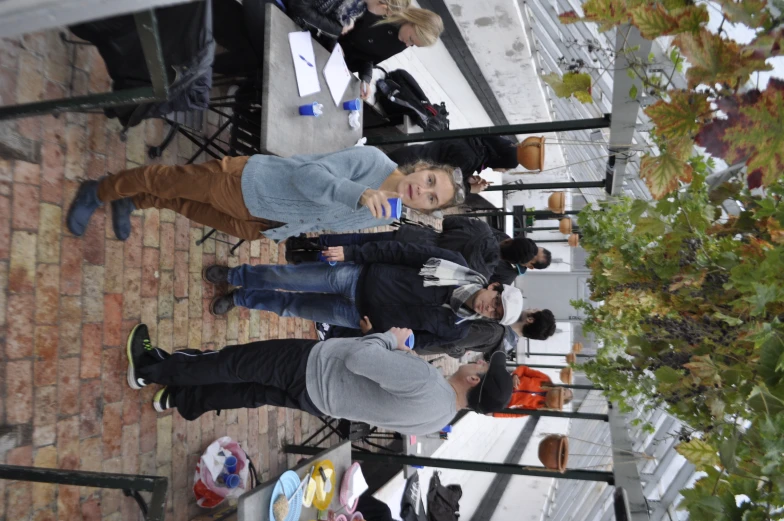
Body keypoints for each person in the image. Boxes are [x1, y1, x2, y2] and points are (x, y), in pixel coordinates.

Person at [125, 323, 513, 435]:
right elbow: (385, 398)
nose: (477, 362)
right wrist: (402, 360)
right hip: (319, 400)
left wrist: (388, 340)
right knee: (246, 391)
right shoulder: (438, 419)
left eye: (482, 367)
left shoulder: (430, 382)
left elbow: (362, 357)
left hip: (312, 368)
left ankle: (150, 370)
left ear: (475, 380)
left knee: (233, 362)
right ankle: (179, 399)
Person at [66, 147, 464, 242]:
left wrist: (277, 233)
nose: (422, 190)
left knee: (182, 204)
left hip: (262, 221)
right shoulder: (373, 163)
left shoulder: (387, 213)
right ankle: (99, 190)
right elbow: (309, 175)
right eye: (430, 181)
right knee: (167, 179)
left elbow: (324, 219)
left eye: (432, 198)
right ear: (423, 169)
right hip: (249, 183)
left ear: (427, 210)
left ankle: (131, 201)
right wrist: (357, 193)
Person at [205, 242, 524, 349]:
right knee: (286, 276)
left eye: (494, 314)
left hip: (357, 317)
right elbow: (402, 251)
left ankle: (240, 298)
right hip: (358, 277)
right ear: (494, 286)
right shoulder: (456, 265)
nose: (489, 308)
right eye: (495, 301)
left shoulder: (458, 330)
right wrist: (353, 252)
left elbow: (414, 342)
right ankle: (236, 275)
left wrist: (377, 337)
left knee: (293, 306)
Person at [286, 216, 538, 281]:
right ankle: (304, 259)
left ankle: (308, 242)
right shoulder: (480, 273)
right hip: (410, 263)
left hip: (414, 235)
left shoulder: (482, 230)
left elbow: (449, 223)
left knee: (358, 241)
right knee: (357, 259)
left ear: (509, 240)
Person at [338, 7, 443, 99]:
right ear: (412, 21)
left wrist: (366, 79)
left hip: (340, 67)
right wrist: (335, 45)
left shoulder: (402, 41)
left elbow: (368, 58)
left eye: (413, 44)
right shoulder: (382, 9)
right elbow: (336, 20)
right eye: (411, 39)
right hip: (327, 42)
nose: (407, 44)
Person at [387, 136, 520, 194]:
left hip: (408, 160)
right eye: (506, 167)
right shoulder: (469, 157)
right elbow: (445, 187)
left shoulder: (476, 146)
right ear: (501, 159)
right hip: (403, 170)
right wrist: (470, 189)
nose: (503, 171)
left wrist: (467, 177)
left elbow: (449, 165)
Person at [288, 0, 411, 41]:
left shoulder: (360, 6)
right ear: (383, 7)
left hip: (298, 27)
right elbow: (298, 5)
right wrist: (337, 30)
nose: (382, 17)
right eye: (385, 15)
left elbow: (333, 20)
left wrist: (334, 42)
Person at [492, 365, 573, 418]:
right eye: (564, 390)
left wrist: (495, 414)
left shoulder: (539, 407)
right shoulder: (545, 379)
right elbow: (524, 369)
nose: (561, 392)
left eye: (563, 395)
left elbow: (517, 413)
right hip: (505, 381)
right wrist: (516, 375)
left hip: (501, 399)